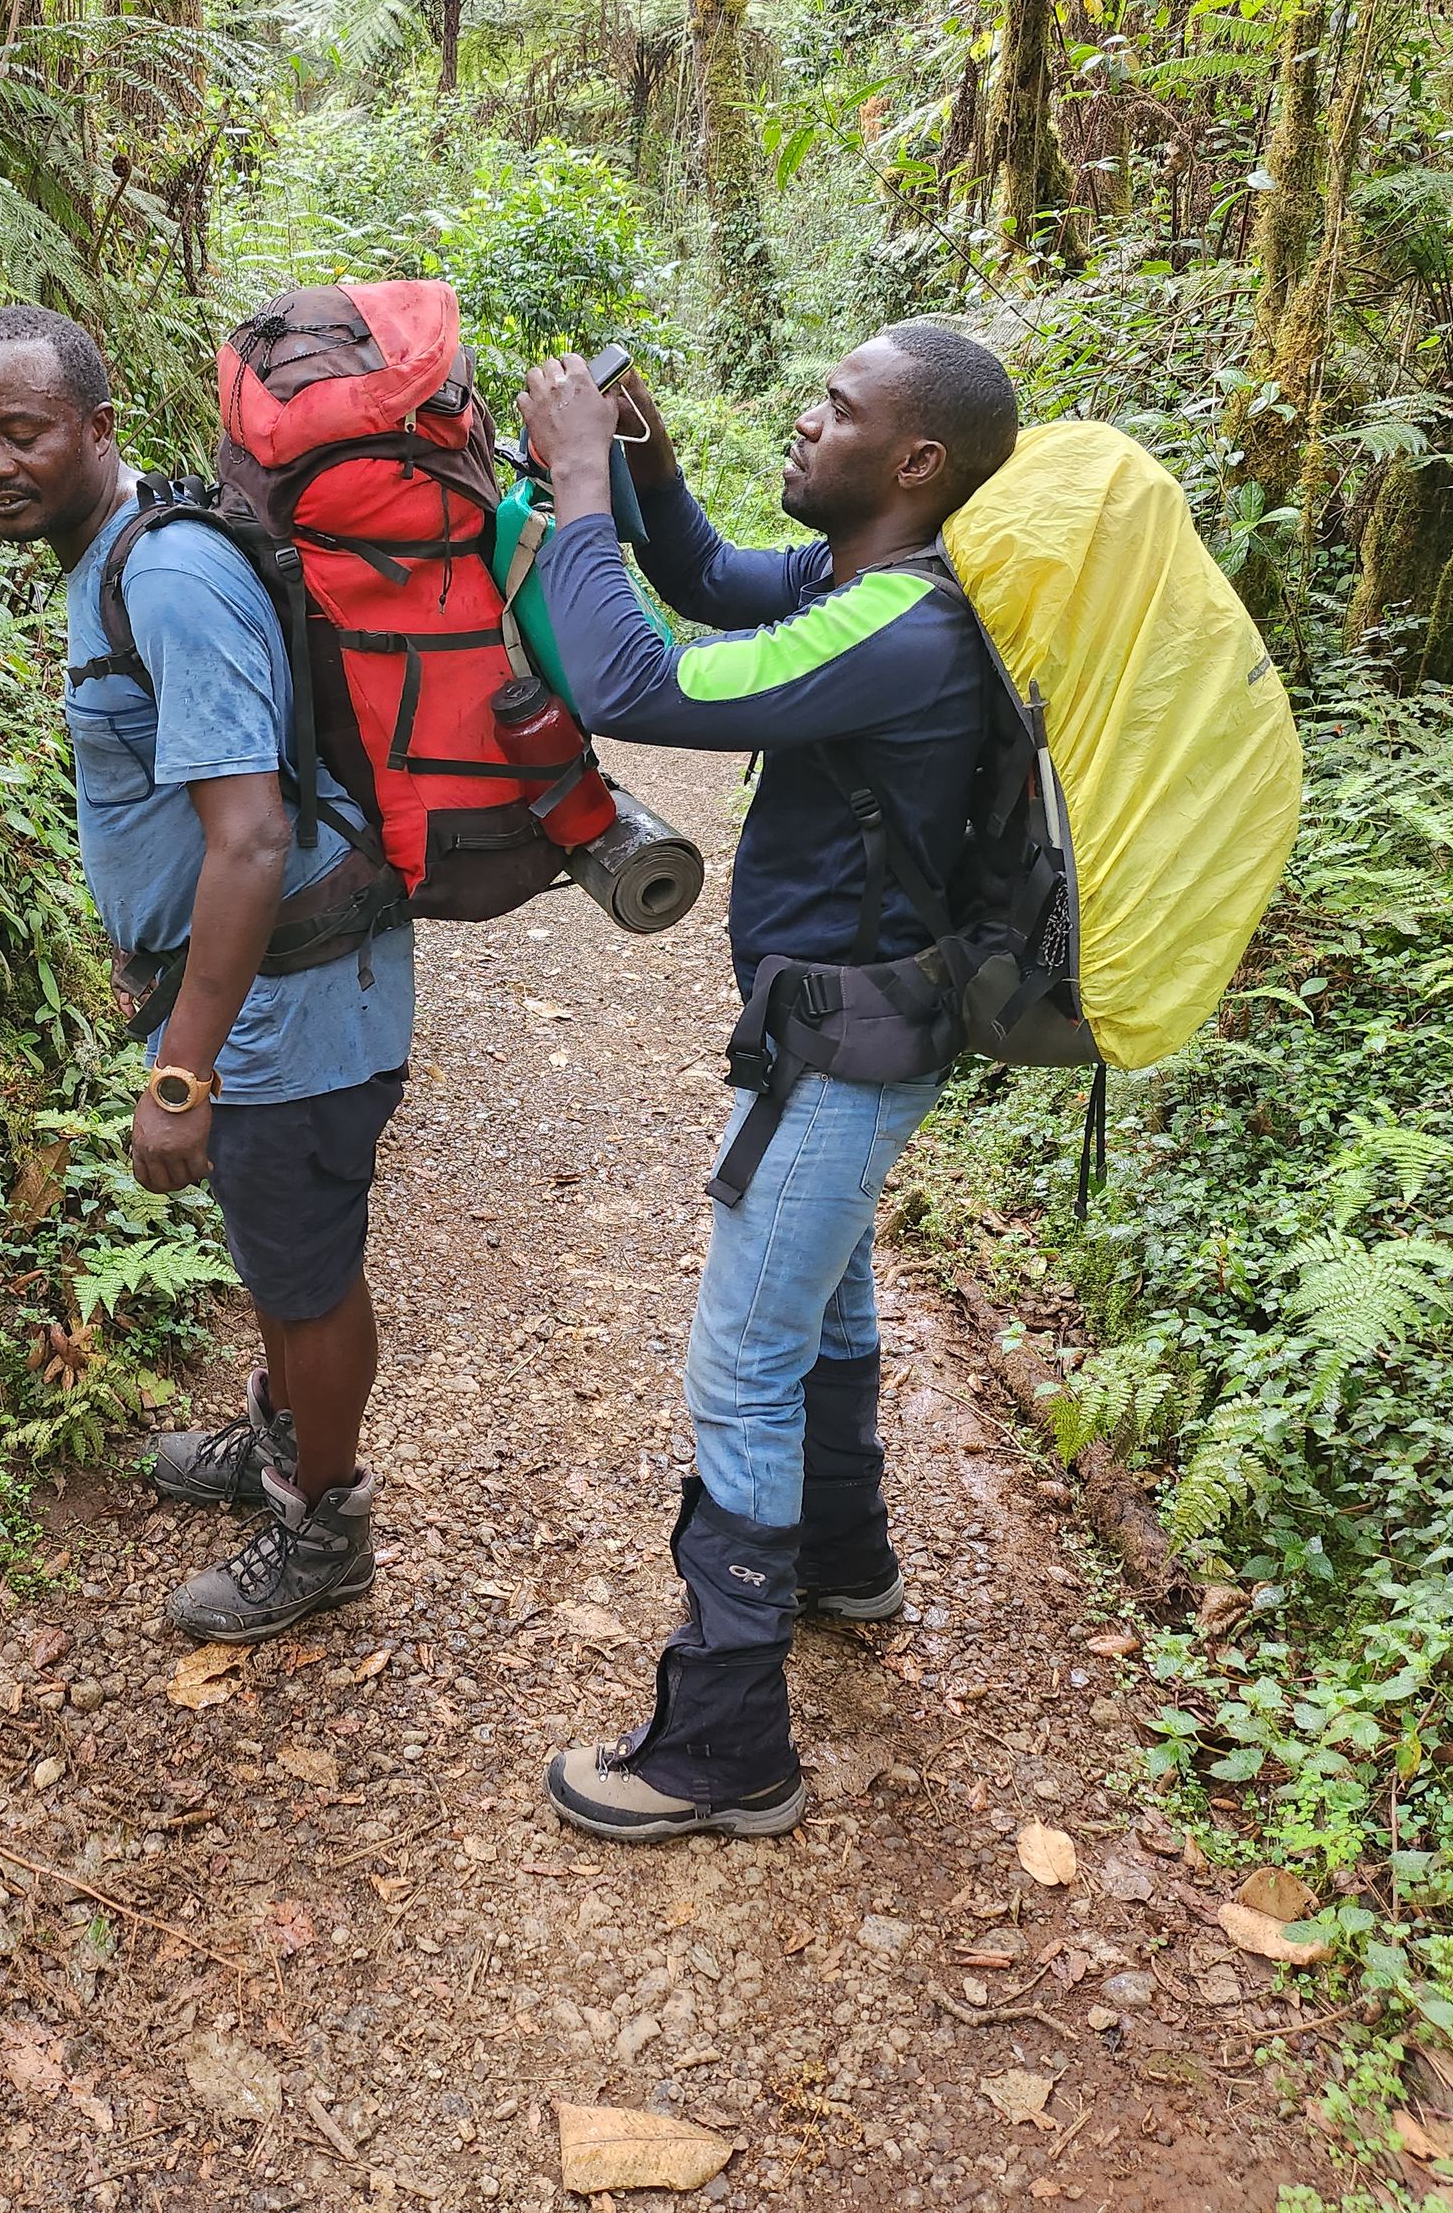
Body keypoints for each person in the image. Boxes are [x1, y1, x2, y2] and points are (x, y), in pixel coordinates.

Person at [515, 323, 1018, 1842]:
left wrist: (581, 486)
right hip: (866, 1030)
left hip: (839, 1048)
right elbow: (720, 587)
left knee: (741, 1365)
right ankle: (841, 1563)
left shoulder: (903, 633)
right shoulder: (871, 585)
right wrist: (652, 475)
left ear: (916, 462)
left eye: (835, 410)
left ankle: (725, 1749)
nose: (806, 423)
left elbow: (629, 676)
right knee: (833, 1298)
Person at [0, 304, 414, 1642]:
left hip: (300, 990)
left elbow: (252, 834)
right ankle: (279, 1437)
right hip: (266, 985)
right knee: (278, 1250)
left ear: (99, 428)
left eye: (22, 433)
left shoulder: (164, 578)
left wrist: (180, 1070)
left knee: (304, 1267)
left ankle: (324, 1528)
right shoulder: (115, 552)